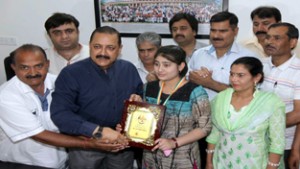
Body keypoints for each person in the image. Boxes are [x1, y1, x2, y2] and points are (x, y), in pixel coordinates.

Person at [0, 44, 126, 169]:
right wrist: (91, 143)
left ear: (47, 64)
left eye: (38, 66)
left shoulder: (59, 82)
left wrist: (103, 135)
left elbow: (72, 120)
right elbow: (39, 134)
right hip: (22, 163)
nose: (33, 73)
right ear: (13, 67)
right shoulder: (6, 96)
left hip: (60, 160)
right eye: (24, 68)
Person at [50, 26, 143, 169]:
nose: (103, 53)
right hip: (86, 145)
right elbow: (60, 114)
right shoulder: (71, 73)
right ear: (90, 45)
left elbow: (140, 97)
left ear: (120, 49)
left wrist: (139, 101)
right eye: (97, 47)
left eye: (110, 48)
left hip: (121, 145)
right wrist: (97, 131)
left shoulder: (128, 69)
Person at [131, 45, 211, 168]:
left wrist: (174, 142)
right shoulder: (149, 88)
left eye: (166, 65)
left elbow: (205, 127)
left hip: (183, 157)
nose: (159, 69)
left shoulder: (195, 91)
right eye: (157, 64)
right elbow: (145, 120)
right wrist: (135, 107)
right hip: (151, 157)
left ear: (181, 66)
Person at [206, 57, 286, 169]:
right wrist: (209, 162)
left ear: (257, 77)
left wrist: (271, 167)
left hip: (255, 163)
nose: (234, 79)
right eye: (232, 74)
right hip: (222, 161)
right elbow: (214, 133)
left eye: (240, 75)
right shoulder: (221, 98)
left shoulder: (270, 102)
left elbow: (277, 142)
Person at [188, 11, 257, 101]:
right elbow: (185, 82)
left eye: (222, 31)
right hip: (199, 112)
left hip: (233, 113)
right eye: (213, 30)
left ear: (235, 31)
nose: (216, 35)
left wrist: (210, 83)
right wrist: (193, 78)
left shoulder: (249, 58)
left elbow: (251, 94)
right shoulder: (199, 54)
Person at [260, 22, 300, 168]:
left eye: (277, 38)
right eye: (268, 37)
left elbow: (298, 113)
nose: (269, 41)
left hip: (285, 145)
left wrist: (259, 125)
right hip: (255, 142)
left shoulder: (298, 71)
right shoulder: (259, 66)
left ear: (292, 42)